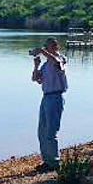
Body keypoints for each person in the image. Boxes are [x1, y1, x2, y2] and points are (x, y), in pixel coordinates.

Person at [30, 37, 67, 172]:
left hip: (56, 97)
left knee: (51, 131)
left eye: (48, 46)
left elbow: (57, 62)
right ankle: (47, 160)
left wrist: (41, 51)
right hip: (45, 98)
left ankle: (55, 162)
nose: (46, 48)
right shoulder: (45, 65)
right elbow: (36, 79)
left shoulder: (61, 59)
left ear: (56, 47)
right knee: (42, 130)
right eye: (45, 46)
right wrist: (36, 66)